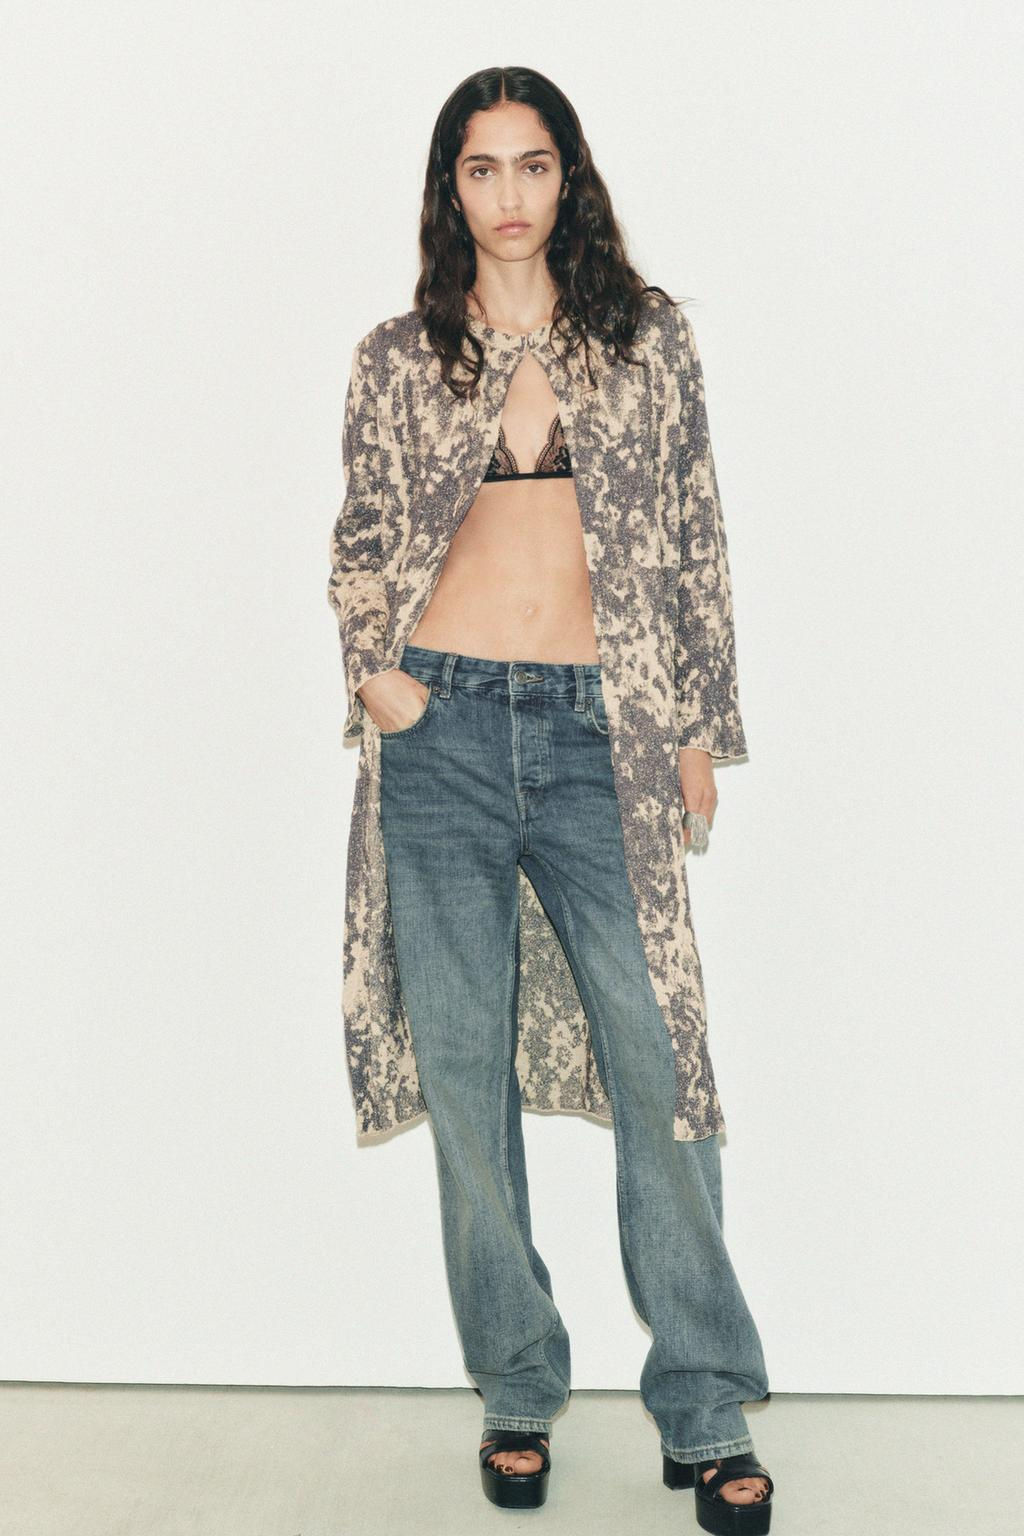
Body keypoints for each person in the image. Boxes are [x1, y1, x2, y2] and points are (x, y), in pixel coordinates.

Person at [328, 65, 775, 1530]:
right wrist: (378, 676)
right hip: (442, 736)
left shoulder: (644, 341)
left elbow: (695, 536)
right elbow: (360, 537)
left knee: (661, 1063)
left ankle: (704, 1405)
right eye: (483, 168)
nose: (509, 194)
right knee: (466, 1074)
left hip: (604, 736)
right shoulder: (400, 356)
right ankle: (516, 1387)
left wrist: (696, 725)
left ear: (567, 180)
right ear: (450, 189)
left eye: (533, 165)